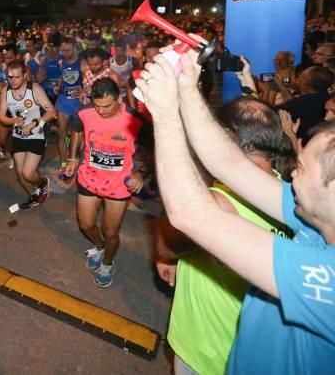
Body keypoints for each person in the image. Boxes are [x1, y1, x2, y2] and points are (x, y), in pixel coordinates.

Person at [138, 45, 335, 374]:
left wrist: (165, 114)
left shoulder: (328, 281)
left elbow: (191, 214)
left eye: (302, 168)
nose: (292, 172)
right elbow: (228, 162)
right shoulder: (314, 217)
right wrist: (187, 89)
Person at [156, 97, 294, 374]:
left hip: (209, 350)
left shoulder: (215, 202)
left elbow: (167, 242)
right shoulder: (292, 193)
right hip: (261, 351)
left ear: (225, 138)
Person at [65, 77, 148, 288]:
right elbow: (76, 128)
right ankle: (99, 245)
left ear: (119, 98)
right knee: (86, 225)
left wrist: (141, 173)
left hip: (119, 184)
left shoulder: (135, 119)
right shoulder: (85, 113)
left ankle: (108, 263)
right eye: (98, 105)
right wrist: (73, 157)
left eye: (107, 106)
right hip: (89, 178)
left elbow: (154, 148)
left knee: (110, 231)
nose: (101, 111)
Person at [0, 60, 56, 209]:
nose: (13, 80)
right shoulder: (6, 91)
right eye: (10, 77)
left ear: (24, 76)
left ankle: (42, 183)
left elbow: (52, 112)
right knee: (20, 175)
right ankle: (34, 196)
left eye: (17, 77)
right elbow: (1, 116)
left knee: (28, 174)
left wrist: (34, 123)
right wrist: (13, 120)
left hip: (37, 135)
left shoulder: (34, 89)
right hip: (18, 136)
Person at [55, 39, 83, 178]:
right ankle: (64, 164)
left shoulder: (82, 63)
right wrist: (58, 86)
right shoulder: (61, 61)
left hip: (78, 103)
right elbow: (62, 76)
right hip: (63, 101)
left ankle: (74, 160)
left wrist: (84, 91)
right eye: (63, 50)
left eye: (68, 50)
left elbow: (88, 80)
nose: (65, 53)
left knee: (75, 135)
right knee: (61, 133)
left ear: (75, 48)